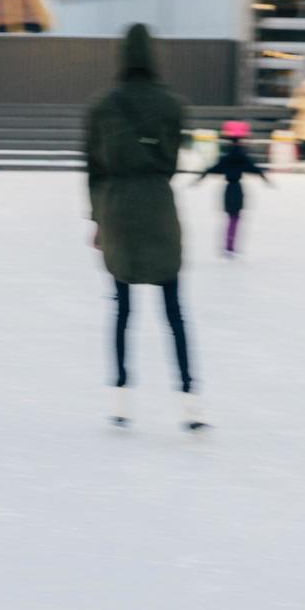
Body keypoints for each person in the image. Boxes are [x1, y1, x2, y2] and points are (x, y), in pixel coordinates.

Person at [86, 24, 206, 432]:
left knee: (122, 308)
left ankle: (120, 398)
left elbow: (93, 169)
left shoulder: (102, 106)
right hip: (158, 207)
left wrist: (97, 219)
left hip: (117, 208)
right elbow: (174, 158)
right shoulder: (172, 104)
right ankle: (191, 400)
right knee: (174, 311)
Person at [194, 120, 272, 258]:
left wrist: (202, 176)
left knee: (230, 217)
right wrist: (264, 177)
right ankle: (230, 245)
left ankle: (228, 244)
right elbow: (252, 168)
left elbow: (215, 168)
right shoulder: (241, 155)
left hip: (228, 188)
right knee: (235, 218)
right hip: (237, 189)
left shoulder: (227, 155)